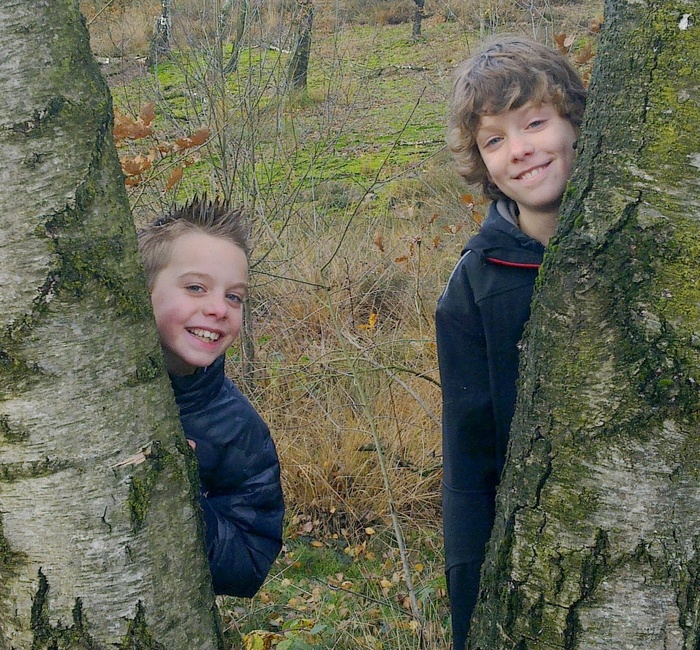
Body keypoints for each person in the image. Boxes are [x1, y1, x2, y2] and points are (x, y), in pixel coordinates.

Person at [436, 35, 587, 648]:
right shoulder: (472, 288)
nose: (519, 149)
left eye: (535, 123)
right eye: (494, 140)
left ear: (575, 122)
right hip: (543, 566)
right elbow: (468, 463)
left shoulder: (654, 247)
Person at [138, 196, 284, 597]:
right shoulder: (74, 395)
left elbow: (251, 561)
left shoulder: (238, 428)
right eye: (196, 288)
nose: (219, 308)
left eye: (234, 296)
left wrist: (178, 492)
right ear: (142, 291)